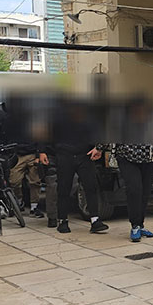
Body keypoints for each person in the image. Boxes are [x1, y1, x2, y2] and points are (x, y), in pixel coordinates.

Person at [38, 100, 108, 234]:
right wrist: (42, 151)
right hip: (64, 154)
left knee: (91, 186)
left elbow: (97, 129)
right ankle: (62, 221)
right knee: (63, 188)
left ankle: (95, 220)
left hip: (85, 154)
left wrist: (98, 147)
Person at [105, 143, 153, 242]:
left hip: (150, 159)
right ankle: (135, 225)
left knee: (145, 192)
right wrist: (99, 148)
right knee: (134, 189)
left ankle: (140, 224)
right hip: (127, 157)